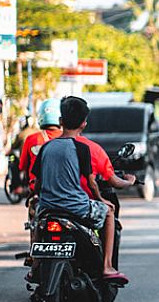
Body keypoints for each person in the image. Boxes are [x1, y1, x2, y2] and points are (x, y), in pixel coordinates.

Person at [33, 96, 133, 283]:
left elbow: (38, 183)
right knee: (109, 211)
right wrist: (101, 199)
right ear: (84, 124)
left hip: (48, 206)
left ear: (61, 121)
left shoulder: (46, 148)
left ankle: (35, 266)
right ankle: (106, 267)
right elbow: (92, 182)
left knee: (39, 219)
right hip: (77, 208)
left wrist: (38, 195)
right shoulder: (82, 149)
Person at [20, 99, 64, 190]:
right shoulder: (69, 139)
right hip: (63, 191)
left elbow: (23, 165)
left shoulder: (31, 139)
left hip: (37, 191)